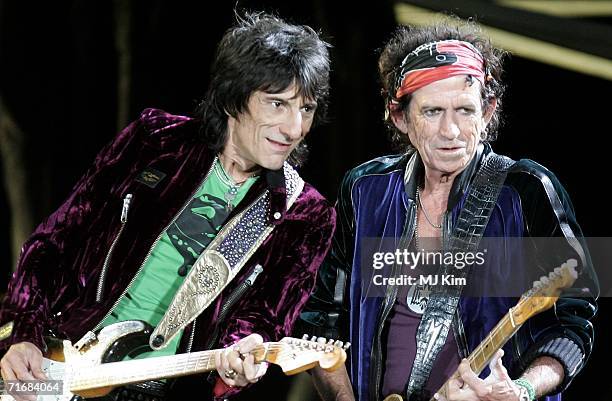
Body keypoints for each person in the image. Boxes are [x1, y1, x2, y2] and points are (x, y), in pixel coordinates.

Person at [0, 12, 336, 401]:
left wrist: (243, 354)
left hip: (158, 388)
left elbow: (264, 317)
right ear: (232, 98)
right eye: (277, 104)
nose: (294, 128)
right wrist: (24, 334)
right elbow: (54, 243)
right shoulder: (155, 141)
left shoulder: (305, 214)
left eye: (306, 109)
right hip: (55, 362)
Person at [298, 17, 598, 401]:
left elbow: (572, 321)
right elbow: (323, 316)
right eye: (433, 111)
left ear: (488, 113)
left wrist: (521, 389)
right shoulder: (365, 190)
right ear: (400, 117)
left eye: (465, 111)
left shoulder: (526, 191)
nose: (451, 131)